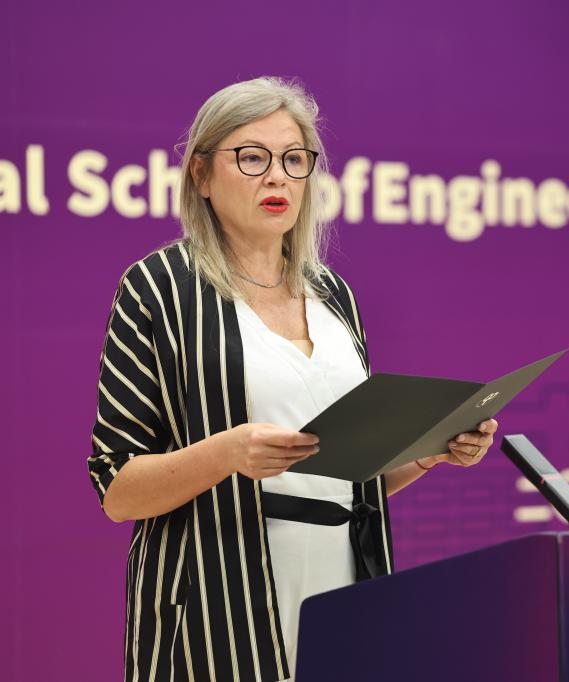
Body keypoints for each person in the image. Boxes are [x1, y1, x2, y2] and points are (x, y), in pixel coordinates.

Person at [87, 76, 498, 682]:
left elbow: (345, 479)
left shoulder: (333, 294)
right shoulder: (158, 289)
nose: (277, 177)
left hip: (345, 588)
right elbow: (118, 489)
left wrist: (427, 453)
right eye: (252, 158)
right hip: (216, 604)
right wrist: (229, 452)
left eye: (294, 160)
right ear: (201, 175)